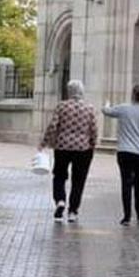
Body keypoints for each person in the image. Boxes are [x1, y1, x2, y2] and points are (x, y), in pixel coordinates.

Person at [101, 83, 139, 225]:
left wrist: (106, 103)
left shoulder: (124, 109)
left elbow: (106, 111)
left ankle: (127, 216)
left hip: (125, 152)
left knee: (126, 183)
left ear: (133, 95)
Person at [40, 80, 98, 223]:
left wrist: (44, 143)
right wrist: (93, 144)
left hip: (62, 146)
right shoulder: (89, 108)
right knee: (79, 180)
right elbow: (94, 129)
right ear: (82, 91)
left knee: (59, 175)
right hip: (83, 149)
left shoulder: (62, 106)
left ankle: (60, 200)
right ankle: (73, 211)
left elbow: (53, 126)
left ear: (69, 91)